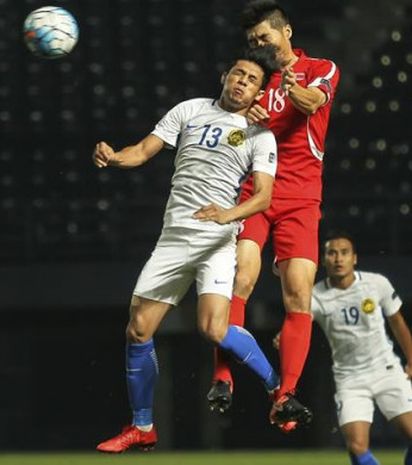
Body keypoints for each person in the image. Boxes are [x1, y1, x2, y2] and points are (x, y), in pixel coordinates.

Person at [93, 46, 288, 453]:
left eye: (251, 80)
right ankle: (143, 426)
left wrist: (227, 214)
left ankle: (277, 387)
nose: (241, 82)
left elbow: (265, 197)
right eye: (238, 74)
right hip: (174, 238)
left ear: (258, 93)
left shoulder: (260, 134)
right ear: (224, 76)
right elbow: (143, 150)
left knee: (213, 329)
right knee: (139, 329)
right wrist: (114, 158)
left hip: (217, 241)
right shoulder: (189, 110)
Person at [208, 0, 340, 432]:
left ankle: (285, 395)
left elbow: (310, 103)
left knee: (298, 294)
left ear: (286, 32)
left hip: (302, 197)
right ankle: (223, 379)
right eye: (252, 42)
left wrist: (285, 79)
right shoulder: (252, 79)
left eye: (264, 38)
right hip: (257, 191)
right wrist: (244, 115)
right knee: (241, 279)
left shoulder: (321, 67)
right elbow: (225, 132)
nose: (258, 45)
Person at [275, 233, 412, 465]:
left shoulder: (376, 283)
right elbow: (298, 325)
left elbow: (397, 322)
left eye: (344, 252)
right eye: (332, 253)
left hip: (386, 369)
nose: (338, 258)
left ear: (354, 258)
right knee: (356, 447)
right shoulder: (315, 296)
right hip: (350, 378)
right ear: (324, 260)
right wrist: (285, 338)